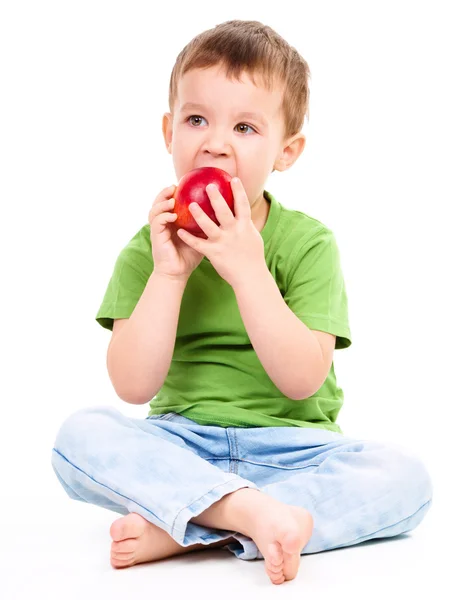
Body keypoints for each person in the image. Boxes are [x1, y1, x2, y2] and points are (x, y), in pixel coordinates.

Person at [51, 20, 433, 586]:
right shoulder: (149, 248)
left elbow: (303, 379)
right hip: (181, 444)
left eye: (246, 127)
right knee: (78, 437)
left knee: (405, 480)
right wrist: (170, 276)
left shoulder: (308, 243)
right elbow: (133, 387)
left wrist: (249, 270)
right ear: (168, 130)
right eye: (196, 119)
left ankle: (194, 522)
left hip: (293, 451)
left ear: (287, 151)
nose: (215, 142)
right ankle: (246, 516)